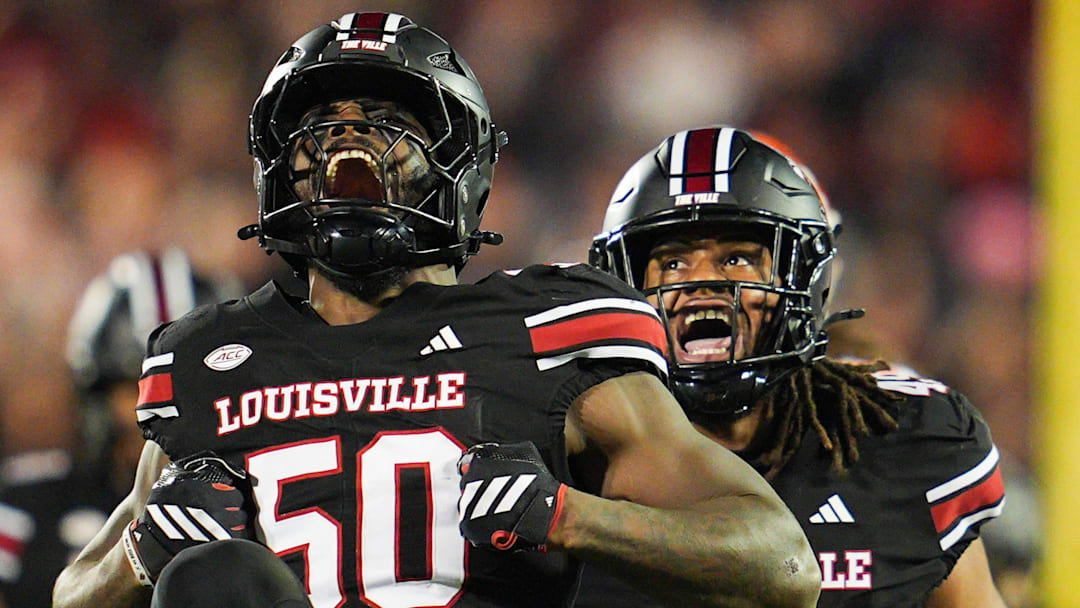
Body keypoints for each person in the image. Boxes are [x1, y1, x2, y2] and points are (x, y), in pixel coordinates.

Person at [52, 15, 820, 608]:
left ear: (462, 166)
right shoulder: (209, 358)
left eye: (391, 121)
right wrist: (139, 551)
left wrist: (571, 516)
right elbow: (73, 593)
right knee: (211, 580)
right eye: (323, 124)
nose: (350, 137)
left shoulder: (547, 329)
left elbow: (779, 564)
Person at [583, 127, 1008, 607]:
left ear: (805, 278)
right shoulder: (568, 461)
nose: (702, 284)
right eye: (673, 263)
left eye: (737, 258)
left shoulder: (901, 441)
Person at [0, 248, 238, 608]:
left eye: (186, 388)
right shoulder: (26, 509)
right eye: (137, 385)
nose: (161, 411)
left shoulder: (274, 504)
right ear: (96, 394)